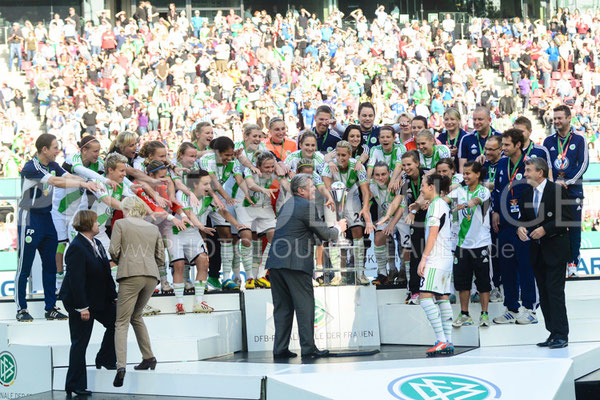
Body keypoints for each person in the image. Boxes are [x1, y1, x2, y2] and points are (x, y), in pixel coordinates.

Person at [16, 134, 98, 322]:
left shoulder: (52, 165)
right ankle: (21, 308)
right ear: (44, 149)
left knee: (50, 265)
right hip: (29, 217)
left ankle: (51, 307)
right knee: (24, 266)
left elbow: (66, 175)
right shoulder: (32, 167)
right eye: (55, 147)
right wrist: (83, 183)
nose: (58, 151)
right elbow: (55, 181)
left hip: (46, 217)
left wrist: (88, 180)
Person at [266, 174, 346, 359]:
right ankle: (309, 349)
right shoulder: (306, 206)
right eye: (311, 187)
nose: (314, 190)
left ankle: (280, 349)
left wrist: (330, 230)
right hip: (295, 263)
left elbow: (304, 233)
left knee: (283, 308)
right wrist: (338, 227)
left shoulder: (288, 205)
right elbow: (326, 235)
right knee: (305, 306)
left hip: (277, 263)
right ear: (300, 190)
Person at [59, 210, 117, 397]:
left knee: (116, 323)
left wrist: (113, 297)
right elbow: (76, 280)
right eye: (95, 222)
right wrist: (82, 307)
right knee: (80, 343)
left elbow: (105, 273)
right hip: (80, 302)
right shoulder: (76, 247)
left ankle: (105, 358)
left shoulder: (97, 243)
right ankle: (74, 384)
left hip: (99, 299)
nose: (98, 224)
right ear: (87, 224)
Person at [109, 196, 164, 387]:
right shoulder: (153, 228)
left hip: (130, 274)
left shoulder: (121, 224)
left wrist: (123, 260)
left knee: (121, 322)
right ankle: (149, 357)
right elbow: (161, 257)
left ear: (126, 209)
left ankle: (121, 367)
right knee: (137, 316)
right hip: (151, 275)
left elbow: (113, 250)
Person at [518, 158, 572, 349]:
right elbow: (523, 219)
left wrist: (545, 229)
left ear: (540, 172)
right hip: (537, 252)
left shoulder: (557, 190)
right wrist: (521, 228)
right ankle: (552, 332)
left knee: (555, 292)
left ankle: (561, 334)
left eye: (528, 170)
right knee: (544, 294)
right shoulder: (526, 194)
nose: (525, 174)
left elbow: (566, 219)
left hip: (556, 250)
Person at [492, 129, 538, 325]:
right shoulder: (502, 164)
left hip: (524, 224)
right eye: (502, 145)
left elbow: (537, 194)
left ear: (518, 145)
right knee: (507, 267)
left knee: (526, 266)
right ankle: (511, 308)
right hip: (505, 223)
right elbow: (496, 190)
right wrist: (495, 211)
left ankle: (530, 309)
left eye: (506, 145)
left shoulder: (530, 164)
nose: (502, 149)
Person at [542, 105, 589, 277]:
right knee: (556, 227)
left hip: (573, 191)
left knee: (574, 227)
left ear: (569, 118)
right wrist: (554, 184)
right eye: (554, 118)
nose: (556, 121)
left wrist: (566, 181)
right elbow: (546, 166)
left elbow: (583, 165)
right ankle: (558, 262)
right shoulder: (548, 141)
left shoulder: (579, 139)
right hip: (555, 191)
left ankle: (573, 262)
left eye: (560, 118)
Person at [417, 173, 454, 356]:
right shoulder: (443, 204)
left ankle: (441, 340)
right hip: (446, 257)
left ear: (431, 187)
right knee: (442, 297)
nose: (421, 189)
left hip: (436, 258)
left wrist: (424, 258)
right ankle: (448, 341)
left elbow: (432, 234)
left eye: (423, 185)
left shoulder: (435, 206)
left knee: (424, 297)